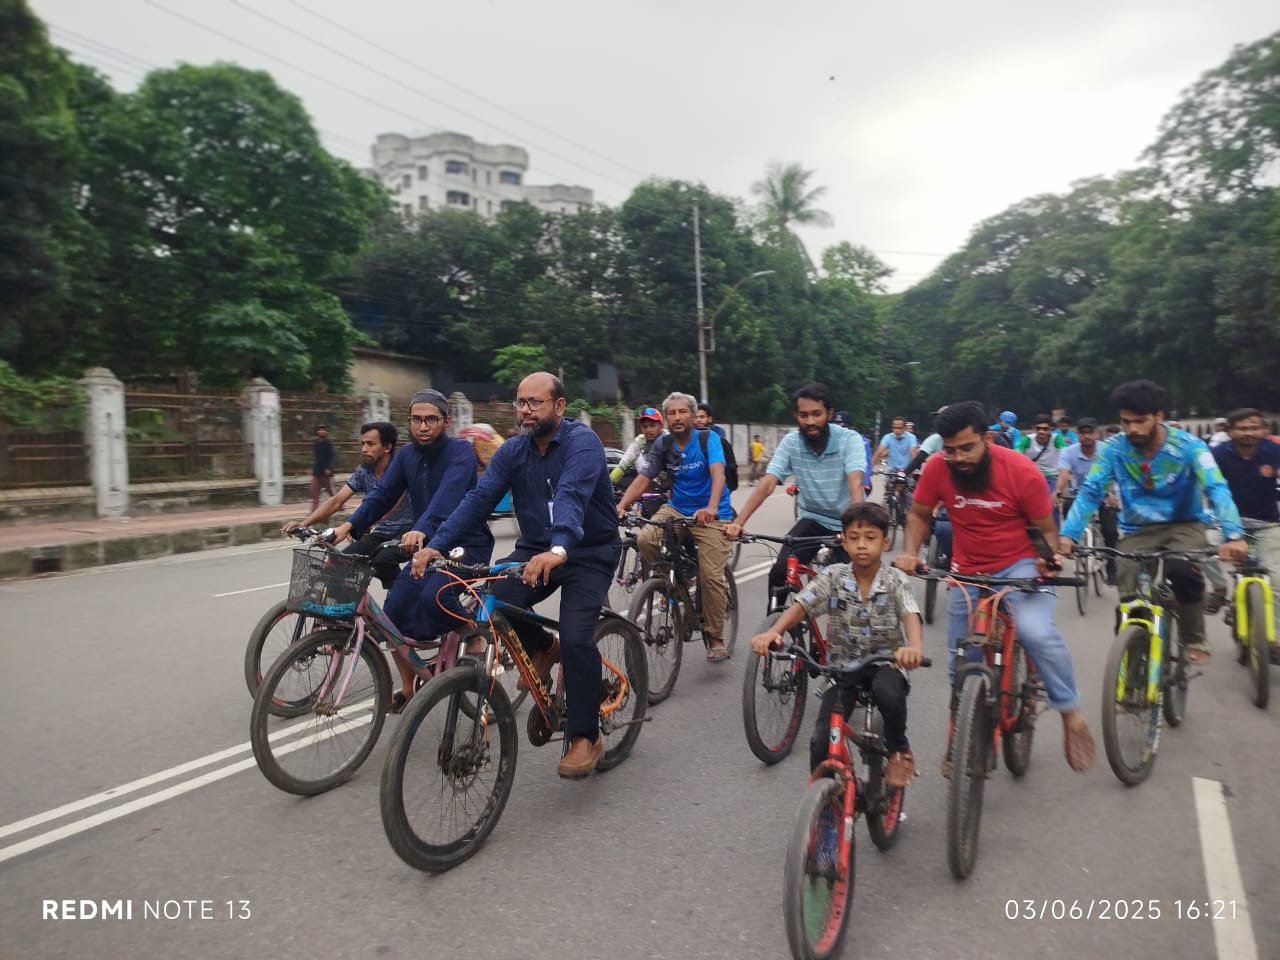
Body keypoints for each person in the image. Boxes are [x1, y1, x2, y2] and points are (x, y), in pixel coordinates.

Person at [417, 373, 622, 779]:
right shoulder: (512, 451)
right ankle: (544, 648)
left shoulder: (583, 443)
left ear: (558, 407)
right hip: (535, 550)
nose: (526, 410)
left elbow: (571, 496)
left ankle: (586, 735)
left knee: (577, 634)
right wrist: (436, 544)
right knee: (497, 602)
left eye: (535, 402)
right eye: (520, 402)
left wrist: (559, 549)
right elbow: (477, 501)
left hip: (587, 551)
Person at [897, 400, 1095, 773]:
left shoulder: (1021, 471)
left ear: (987, 438)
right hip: (966, 568)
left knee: (1037, 633)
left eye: (967, 448)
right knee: (960, 662)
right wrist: (910, 552)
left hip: (1020, 565)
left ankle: (1070, 713)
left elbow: (1049, 532)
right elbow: (919, 514)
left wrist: (1048, 559)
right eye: (950, 450)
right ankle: (962, 733)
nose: (957, 458)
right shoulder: (938, 467)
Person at [1059, 380, 1247, 664]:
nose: (1132, 429)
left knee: (1182, 569)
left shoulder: (1188, 446)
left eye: (1140, 421)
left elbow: (1216, 487)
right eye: (1126, 422)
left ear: (1158, 416)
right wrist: (1069, 535)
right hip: (1138, 530)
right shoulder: (1113, 449)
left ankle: (1193, 637)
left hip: (1184, 524)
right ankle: (1132, 670)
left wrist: (1233, 535)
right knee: (1130, 604)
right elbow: (1091, 491)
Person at [334, 390, 492, 707]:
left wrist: (421, 528)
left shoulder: (461, 452)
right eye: (416, 420)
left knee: (436, 596)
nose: (423, 426)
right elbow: (381, 496)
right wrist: (347, 526)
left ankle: (472, 632)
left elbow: (446, 499)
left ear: (446, 421)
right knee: (391, 615)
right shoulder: (406, 456)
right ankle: (409, 687)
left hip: (465, 546)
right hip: (426, 547)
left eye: (431, 419)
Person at [751, 502, 924, 785]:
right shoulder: (833, 576)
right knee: (821, 740)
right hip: (842, 669)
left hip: (886, 664)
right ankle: (828, 807)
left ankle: (899, 750)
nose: (862, 546)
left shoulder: (895, 580)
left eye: (870, 537)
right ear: (843, 540)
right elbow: (802, 605)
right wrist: (775, 631)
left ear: (885, 541)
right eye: (854, 538)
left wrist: (913, 648)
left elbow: (910, 613)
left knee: (888, 695)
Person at [725, 383, 866, 608]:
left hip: (846, 521)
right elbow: (768, 481)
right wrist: (738, 522)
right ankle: (774, 629)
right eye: (803, 415)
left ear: (829, 414)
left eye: (816, 414)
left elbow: (855, 483)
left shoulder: (849, 440)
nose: (810, 421)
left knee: (853, 587)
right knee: (779, 573)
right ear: (796, 416)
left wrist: (858, 529)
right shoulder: (792, 443)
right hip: (812, 518)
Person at [617, 391, 734, 661]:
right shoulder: (663, 445)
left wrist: (713, 507)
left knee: (710, 576)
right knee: (646, 539)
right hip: (678, 508)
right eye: (672, 413)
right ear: (666, 418)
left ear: (693, 416)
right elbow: (643, 478)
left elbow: (718, 473)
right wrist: (622, 505)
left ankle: (715, 635)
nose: (677, 417)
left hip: (712, 513)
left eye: (683, 412)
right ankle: (674, 587)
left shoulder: (708, 439)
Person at [283, 421, 414, 586]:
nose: (364, 449)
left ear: (387, 447)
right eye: (363, 444)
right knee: (338, 563)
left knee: (382, 561)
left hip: (409, 531)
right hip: (380, 533)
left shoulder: (402, 468)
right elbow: (337, 500)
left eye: (370, 444)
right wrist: (304, 523)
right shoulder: (363, 471)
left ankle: (403, 599)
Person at [1211, 407, 1280, 661]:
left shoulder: (1274, 451)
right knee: (1199, 550)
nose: (1249, 433)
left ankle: (1273, 639)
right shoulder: (1217, 455)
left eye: (1254, 427)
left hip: (1268, 524)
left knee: (1276, 580)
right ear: (1229, 431)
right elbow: (1204, 487)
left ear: (1264, 430)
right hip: (1227, 526)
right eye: (1242, 428)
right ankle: (1219, 591)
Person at [1053, 417, 1120, 584]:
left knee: (1110, 531)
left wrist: (1112, 494)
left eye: (1090, 432)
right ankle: (1073, 543)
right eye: (1082, 433)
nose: (1086, 436)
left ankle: (1111, 567)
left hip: (1105, 493)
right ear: (1078, 435)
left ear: (1097, 434)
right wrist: (1058, 491)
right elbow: (1063, 474)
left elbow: (1115, 475)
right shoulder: (1069, 452)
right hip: (1081, 494)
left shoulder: (1106, 450)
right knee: (1068, 506)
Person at [1016, 414, 1069, 514]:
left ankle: (1054, 528)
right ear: (1033, 429)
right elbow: (1016, 455)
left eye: (1045, 429)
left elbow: (1065, 455)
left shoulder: (1057, 439)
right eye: (1038, 428)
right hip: (1031, 478)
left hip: (1052, 477)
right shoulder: (1027, 440)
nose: (1041, 432)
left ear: (1051, 429)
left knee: (1052, 504)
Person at [610, 407, 665, 487]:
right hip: (651, 482)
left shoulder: (669, 440)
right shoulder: (640, 441)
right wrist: (607, 485)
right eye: (645, 426)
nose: (648, 430)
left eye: (652, 426)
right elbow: (623, 465)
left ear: (661, 426)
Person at [835, 410, 874, 494]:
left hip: (856, 479)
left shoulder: (862, 441)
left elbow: (866, 464)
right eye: (836, 427)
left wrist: (865, 482)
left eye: (843, 427)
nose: (839, 430)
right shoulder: (830, 440)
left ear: (851, 428)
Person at [310, 424, 335, 511]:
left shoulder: (328, 443)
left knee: (330, 491)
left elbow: (331, 456)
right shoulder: (315, 442)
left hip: (326, 472)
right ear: (317, 431)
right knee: (314, 491)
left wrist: (329, 468)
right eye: (320, 430)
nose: (322, 431)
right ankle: (314, 510)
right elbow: (316, 457)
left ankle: (339, 506)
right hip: (317, 471)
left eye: (324, 430)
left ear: (326, 432)